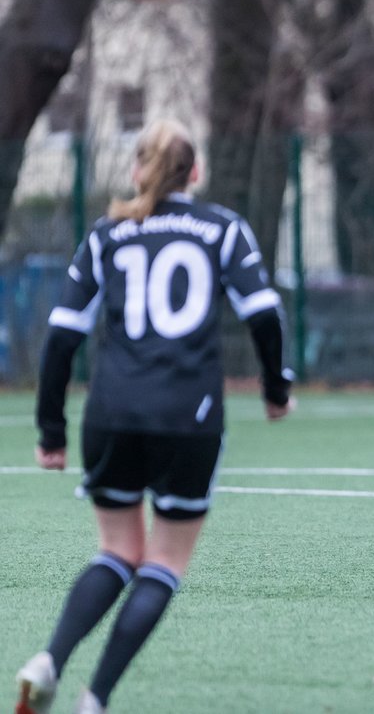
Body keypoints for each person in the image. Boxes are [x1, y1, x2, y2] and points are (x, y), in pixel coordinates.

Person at [14, 120, 294, 714]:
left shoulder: (107, 232)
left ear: (138, 171)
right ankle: (96, 698)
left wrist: (51, 431)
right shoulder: (223, 229)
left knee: (117, 552)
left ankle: (50, 659)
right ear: (195, 173)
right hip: (188, 419)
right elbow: (265, 315)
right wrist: (276, 389)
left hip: (111, 414)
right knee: (163, 561)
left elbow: (62, 340)